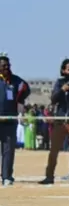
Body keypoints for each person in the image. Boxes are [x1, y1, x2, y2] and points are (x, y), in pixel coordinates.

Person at [0, 54, 31, 186]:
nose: (7, 68)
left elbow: (26, 89)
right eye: (3, 66)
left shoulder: (16, 81)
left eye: (8, 65)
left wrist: (21, 97)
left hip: (9, 120)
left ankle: (7, 176)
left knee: (8, 150)